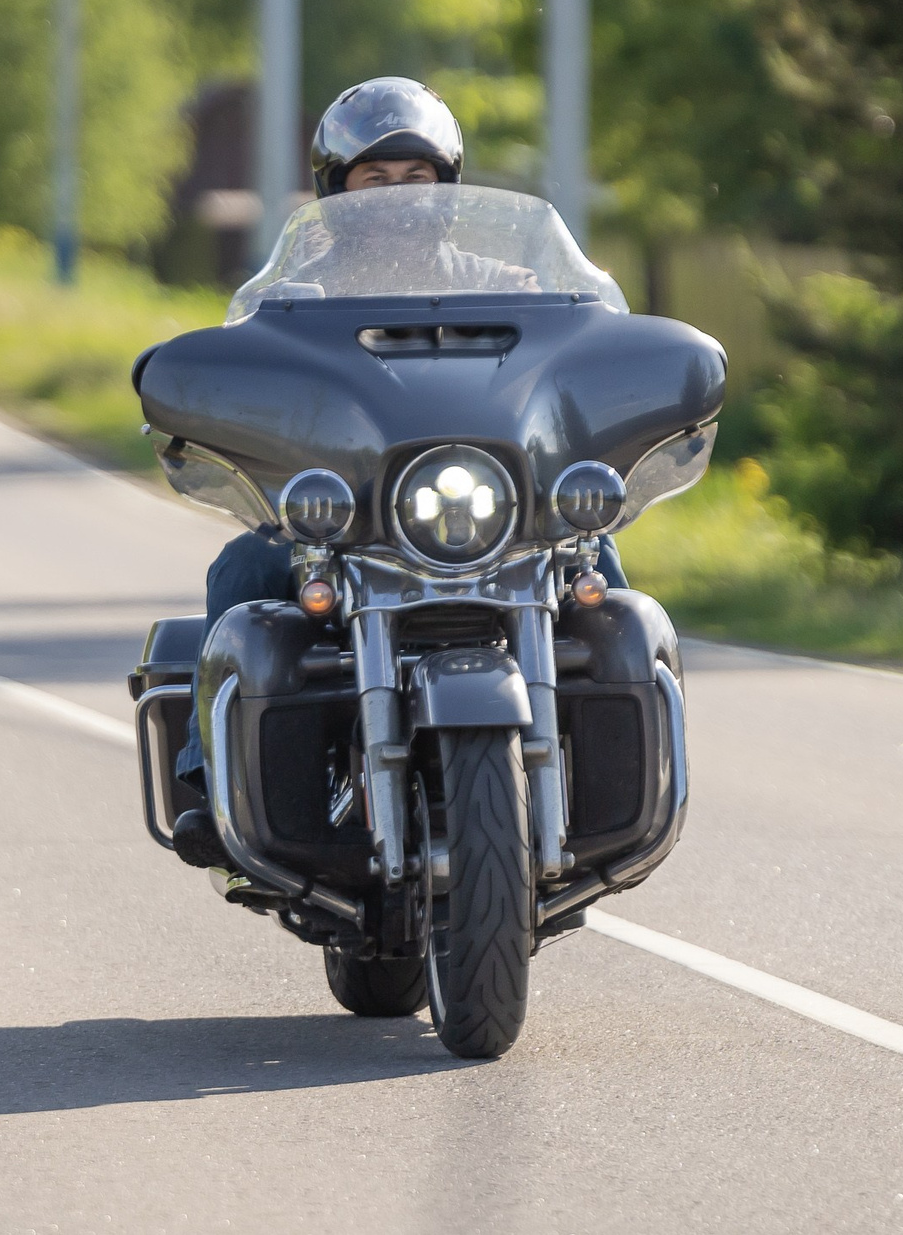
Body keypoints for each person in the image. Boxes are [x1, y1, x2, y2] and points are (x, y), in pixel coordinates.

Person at [169, 78, 625, 868]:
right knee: (245, 565)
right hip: (346, 525)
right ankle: (208, 782)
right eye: (374, 181)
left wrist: (603, 357)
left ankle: (608, 779)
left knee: (605, 577)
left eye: (416, 179)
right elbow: (243, 380)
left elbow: (579, 352)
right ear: (334, 190)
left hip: (498, 515)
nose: (397, 199)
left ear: (447, 188)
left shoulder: (516, 288)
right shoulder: (293, 298)